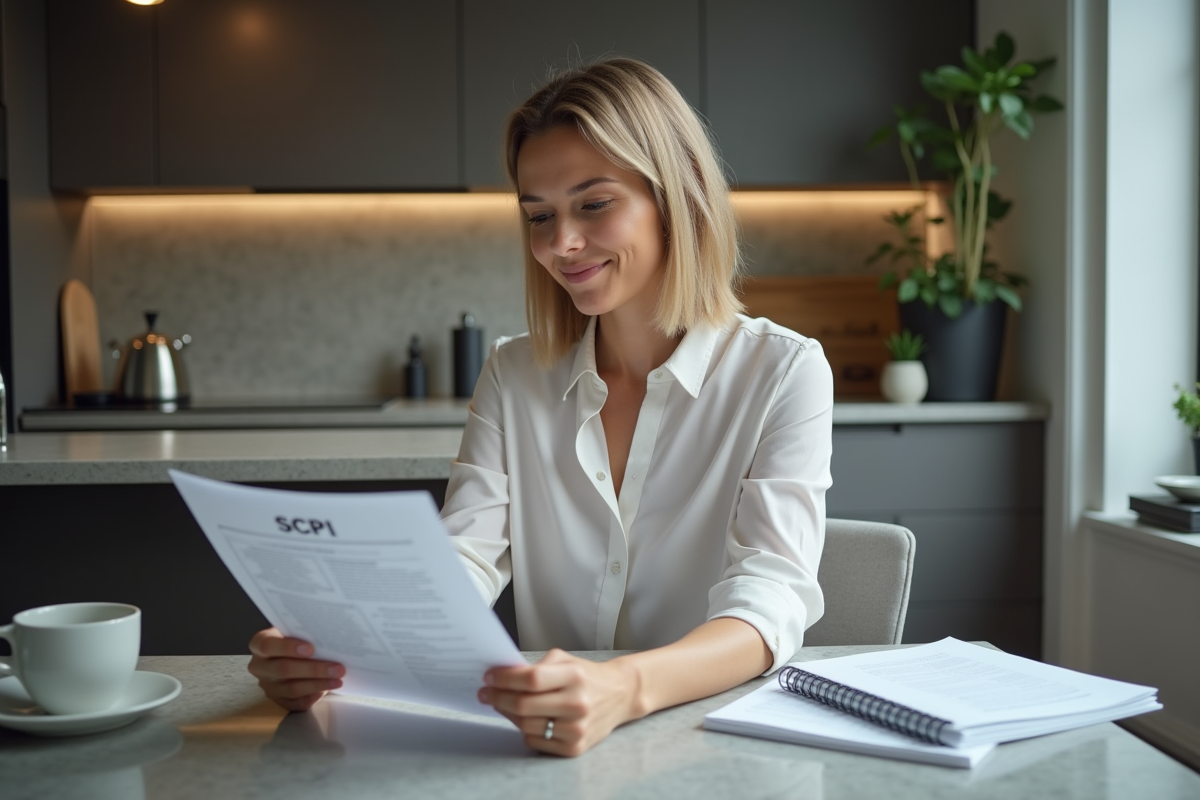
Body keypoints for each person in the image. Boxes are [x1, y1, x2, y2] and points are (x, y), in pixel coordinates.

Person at [248, 58, 833, 757]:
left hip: (715, 749)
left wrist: (627, 687)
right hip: (544, 750)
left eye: (593, 204)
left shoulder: (784, 371)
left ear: (675, 193)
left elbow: (769, 600)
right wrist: (336, 648)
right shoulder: (514, 373)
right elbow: (463, 556)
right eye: (539, 216)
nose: (562, 244)